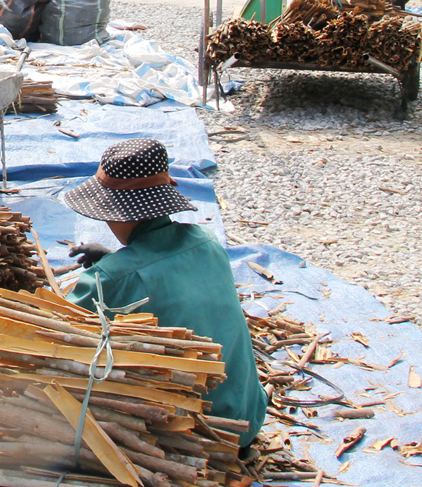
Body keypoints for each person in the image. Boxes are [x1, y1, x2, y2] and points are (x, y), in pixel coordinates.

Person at [62, 138, 268, 449]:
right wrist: (113, 260)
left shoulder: (109, 280)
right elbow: (163, 276)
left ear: (116, 210)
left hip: (197, 441)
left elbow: (56, 333)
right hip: (246, 417)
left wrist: (108, 271)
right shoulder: (208, 242)